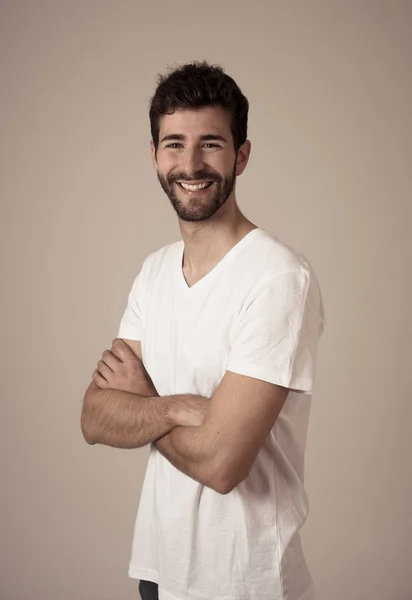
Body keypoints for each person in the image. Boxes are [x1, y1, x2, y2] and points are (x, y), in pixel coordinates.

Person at [81, 61, 325, 600]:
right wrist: (171, 407)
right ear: (153, 156)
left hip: (245, 580)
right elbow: (94, 417)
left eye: (211, 144)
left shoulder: (279, 278)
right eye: (174, 144)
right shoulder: (154, 271)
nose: (190, 164)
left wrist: (141, 404)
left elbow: (221, 464)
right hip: (160, 570)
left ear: (241, 155)